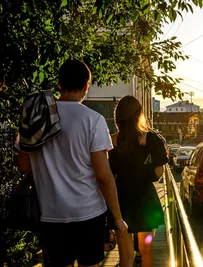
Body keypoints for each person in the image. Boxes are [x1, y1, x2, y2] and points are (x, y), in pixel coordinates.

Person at [17, 59, 128, 267]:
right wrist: (118, 217)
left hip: (51, 214)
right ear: (86, 85)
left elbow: (23, 166)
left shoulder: (36, 117)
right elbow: (103, 176)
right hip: (89, 214)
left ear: (59, 84)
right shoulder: (93, 120)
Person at [109, 95, 168, 267]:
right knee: (146, 251)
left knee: (125, 256)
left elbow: (108, 175)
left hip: (121, 201)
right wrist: (144, 173)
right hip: (145, 201)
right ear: (139, 114)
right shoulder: (150, 139)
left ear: (118, 117)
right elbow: (159, 171)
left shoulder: (111, 140)